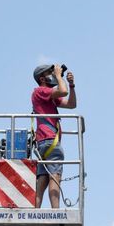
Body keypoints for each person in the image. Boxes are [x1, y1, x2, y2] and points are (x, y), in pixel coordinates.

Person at [31, 64, 77, 208]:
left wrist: (71, 85)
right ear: (42, 78)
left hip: (44, 143)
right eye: (50, 73)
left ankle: (34, 212)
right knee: (55, 177)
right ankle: (55, 212)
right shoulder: (41, 91)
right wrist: (58, 75)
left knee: (43, 179)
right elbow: (62, 92)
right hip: (50, 140)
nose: (53, 74)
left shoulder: (47, 96)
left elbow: (71, 104)